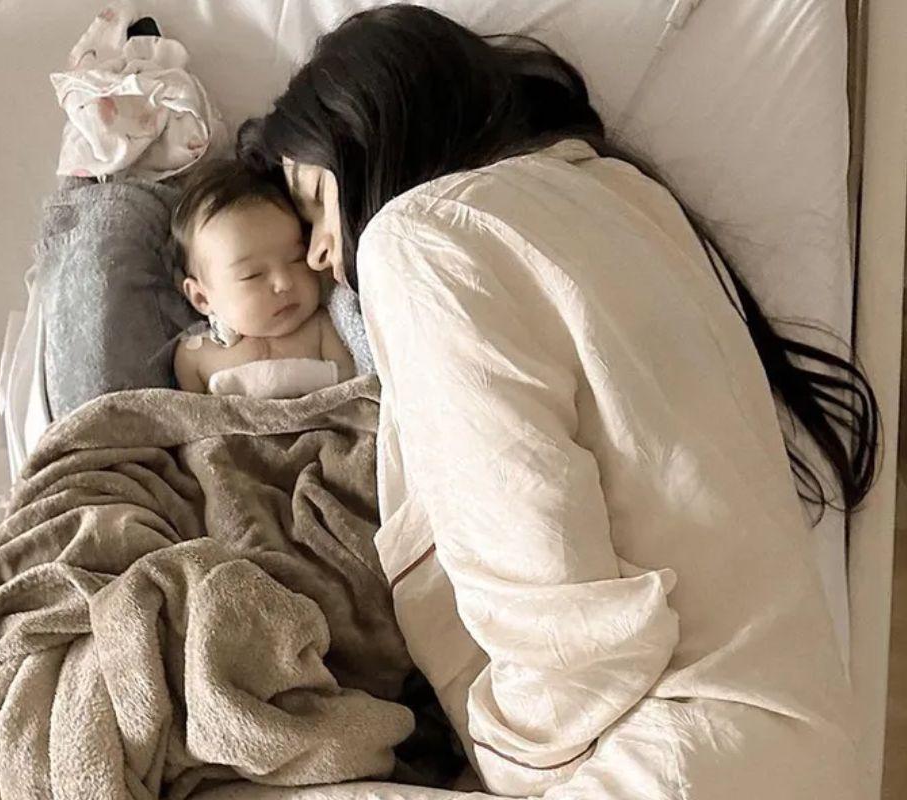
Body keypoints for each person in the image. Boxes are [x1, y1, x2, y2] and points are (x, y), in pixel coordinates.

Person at [238, 5, 879, 798]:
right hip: (794, 749)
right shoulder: (630, 200)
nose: (316, 252)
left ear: (370, 133)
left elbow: (559, 625)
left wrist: (498, 767)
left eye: (311, 200)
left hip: (659, 757)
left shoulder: (420, 239)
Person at [170, 159, 355, 398]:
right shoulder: (195, 356)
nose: (284, 283)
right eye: (253, 275)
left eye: (297, 259)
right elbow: (186, 417)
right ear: (202, 298)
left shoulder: (323, 328)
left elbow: (356, 396)